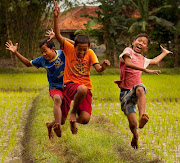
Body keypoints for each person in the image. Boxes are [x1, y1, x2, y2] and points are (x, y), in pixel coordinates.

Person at [53, 1, 110, 134]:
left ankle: (71, 121)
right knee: (82, 89)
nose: (82, 52)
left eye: (85, 50)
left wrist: (104, 66)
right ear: (74, 46)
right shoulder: (68, 48)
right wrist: (56, 17)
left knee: (85, 119)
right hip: (70, 84)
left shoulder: (90, 53)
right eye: (79, 49)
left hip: (85, 87)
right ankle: (72, 113)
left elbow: (98, 69)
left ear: (88, 48)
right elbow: (58, 34)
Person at [114, 33, 173, 149]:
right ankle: (135, 135)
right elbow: (128, 63)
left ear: (146, 48)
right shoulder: (128, 52)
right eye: (139, 40)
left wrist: (164, 53)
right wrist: (145, 70)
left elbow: (154, 61)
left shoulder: (143, 59)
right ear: (133, 42)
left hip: (136, 88)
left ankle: (142, 116)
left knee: (140, 88)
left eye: (144, 43)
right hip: (125, 92)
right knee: (133, 124)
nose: (141, 43)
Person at [5, 37, 70, 139]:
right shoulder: (42, 60)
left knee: (62, 120)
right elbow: (27, 64)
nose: (44, 54)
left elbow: (75, 46)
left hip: (66, 86)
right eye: (42, 52)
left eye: (45, 51)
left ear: (53, 49)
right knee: (57, 99)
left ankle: (50, 125)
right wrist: (15, 52)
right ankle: (57, 126)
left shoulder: (63, 54)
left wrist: (59, 35)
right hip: (54, 87)